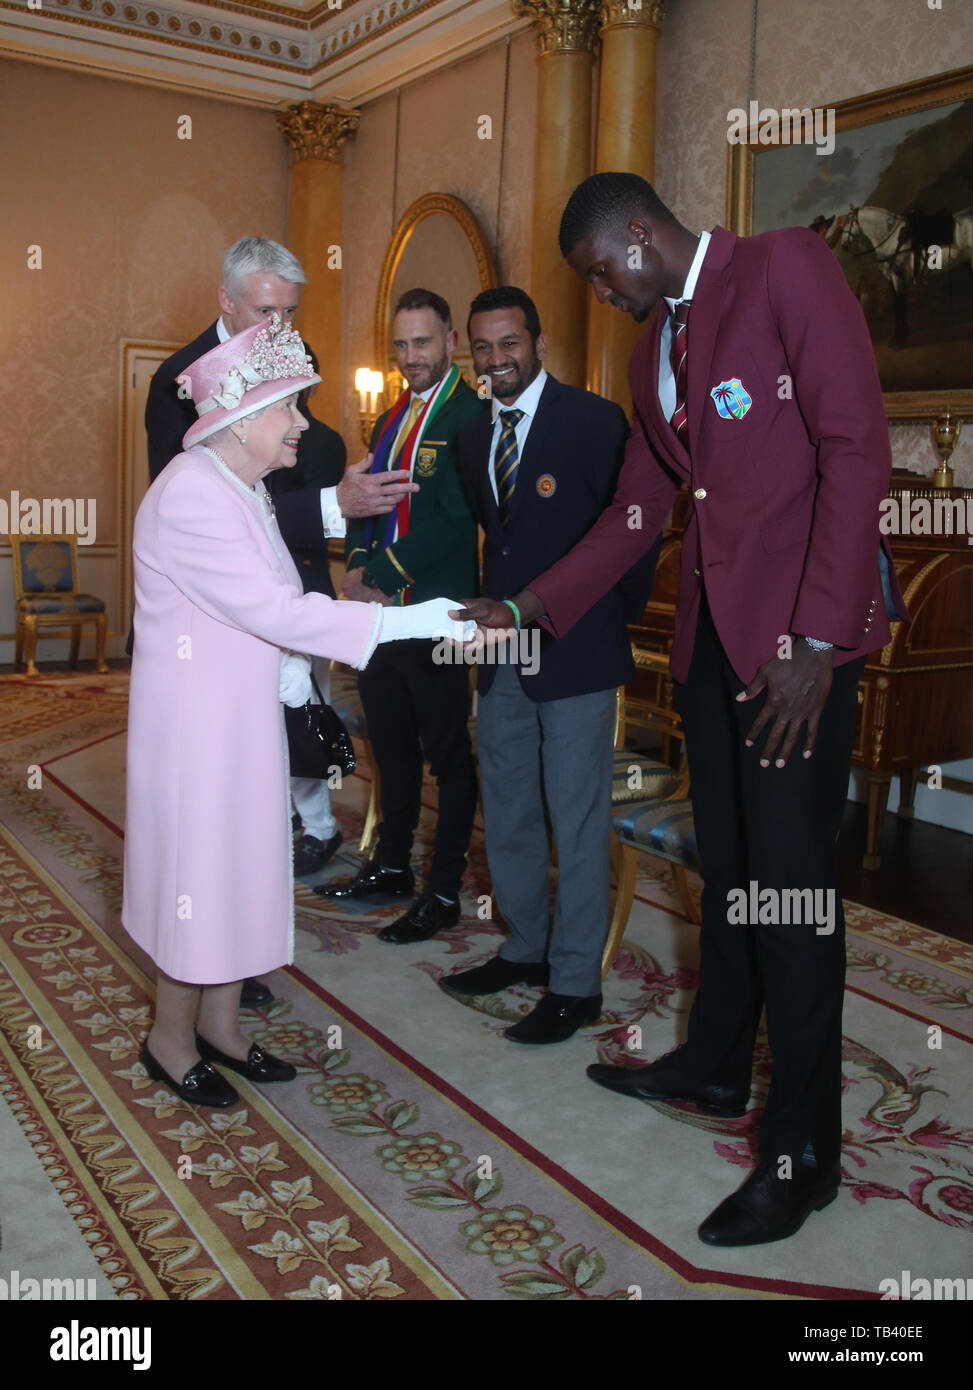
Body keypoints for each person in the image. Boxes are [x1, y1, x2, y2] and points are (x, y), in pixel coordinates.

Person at [456, 173, 908, 1246]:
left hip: (796, 651)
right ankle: (713, 1063)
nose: (602, 293)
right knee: (730, 873)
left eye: (602, 272)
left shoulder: (785, 267)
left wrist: (813, 639)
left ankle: (802, 1154)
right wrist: (529, 600)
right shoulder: (649, 347)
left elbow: (856, 448)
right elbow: (635, 512)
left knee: (792, 899)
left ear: (641, 234)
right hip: (713, 649)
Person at [124, 314, 473, 1107]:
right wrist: (409, 620)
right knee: (199, 882)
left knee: (243, 871)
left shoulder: (236, 487)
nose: (303, 425)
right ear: (245, 419)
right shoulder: (191, 496)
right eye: (291, 409)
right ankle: (169, 1041)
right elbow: (278, 613)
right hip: (197, 734)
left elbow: (284, 596)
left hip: (238, 722)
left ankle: (220, 1026)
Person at [144, 237, 418, 1000]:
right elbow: (208, 515)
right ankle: (204, 988)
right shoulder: (184, 389)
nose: (281, 326)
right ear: (226, 302)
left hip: (279, 631)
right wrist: (334, 508)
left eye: (291, 312)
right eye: (268, 310)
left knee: (258, 833)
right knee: (209, 848)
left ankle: (232, 985)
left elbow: (268, 490)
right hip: (214, 652)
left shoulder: (275, 383)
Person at [440, 286, 658, 1043]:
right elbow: (493, 545)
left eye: (509, 343)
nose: (496, 358)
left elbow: (631, 540)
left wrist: (604, 624)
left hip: (579, 654)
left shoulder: (595, 423)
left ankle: (574, 984)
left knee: (577, 817)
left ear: (537, 344)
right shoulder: (472, 439)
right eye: (483, 347)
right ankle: (526, 949)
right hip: (502, 658)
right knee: (507, 813)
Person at [317, 289, 485, 946]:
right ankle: (389, 866)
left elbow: (457, 522)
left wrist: (381, 575)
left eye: (421, 342)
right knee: (388, 747)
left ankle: (441, 890)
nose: (410, 356)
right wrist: (358, 570)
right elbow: (365, 506)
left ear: (449, 341)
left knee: (447, 755)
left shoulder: (469, 415)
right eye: (400, 346)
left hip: (437, 615)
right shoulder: (390, 418)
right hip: (381, 618)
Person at [271, 347, 348, 877]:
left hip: (306, 595)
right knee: (262, 723)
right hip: (256, 594)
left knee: (303, 720)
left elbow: (297, 516)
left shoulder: (321, 443)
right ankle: (278, 820)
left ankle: (319, 826)